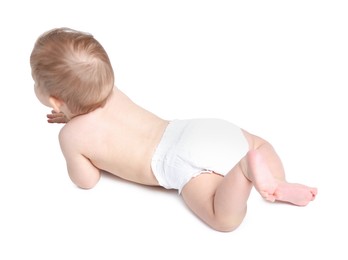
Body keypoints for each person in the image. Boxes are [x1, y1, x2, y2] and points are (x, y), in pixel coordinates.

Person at [30, 28, 317, 232]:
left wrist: (73, 146)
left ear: (56, 101)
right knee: (256, 143)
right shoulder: (111, 91)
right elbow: (91, 105)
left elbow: (87, 180)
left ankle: (244, 170)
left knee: (223, 218)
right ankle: (277, 181)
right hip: (195, 130)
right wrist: (72, 113)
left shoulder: (72, 137)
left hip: (174, 161)